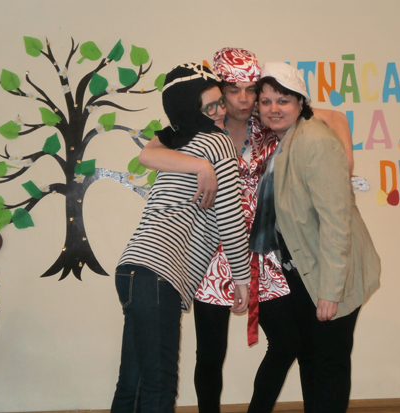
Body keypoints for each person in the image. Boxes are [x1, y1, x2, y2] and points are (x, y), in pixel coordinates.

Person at [139, 47, 355, 413]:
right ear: (220, 90)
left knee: (287, 342)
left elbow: (335, 117)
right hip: (211, 251)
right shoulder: (201, 126)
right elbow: (148, 154)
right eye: (233, 89)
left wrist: (347, 158)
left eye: (250, 89)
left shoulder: (265, 121)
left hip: (262, 250)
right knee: (210, 354)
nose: (243, 98)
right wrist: (200, 167)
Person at [110, 62, 251, 413]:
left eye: (220, 102)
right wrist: (242, 279)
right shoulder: (218, 143)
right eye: (210, 107)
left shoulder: (177, 141)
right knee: (159, 387)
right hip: (159, 274)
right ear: (190, 110)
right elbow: (230, 217)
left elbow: (147, 153)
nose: (220, 112)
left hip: (133, 270)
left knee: (133, 382)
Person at [249, 62, 381, 413]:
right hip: (305, 271)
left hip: (331, 272)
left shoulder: (316, 142)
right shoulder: (287, 140)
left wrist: (330, 290)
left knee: (327, 366)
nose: (274, 109)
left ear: (300, 102)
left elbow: (337, 222)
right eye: (266, 101)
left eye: (283, 100)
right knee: (312, 357)